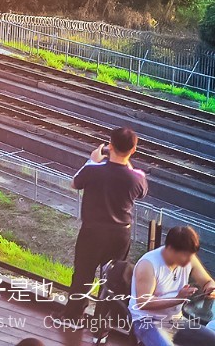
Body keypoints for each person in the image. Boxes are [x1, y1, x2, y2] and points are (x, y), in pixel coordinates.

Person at [61, 126, 148, 321]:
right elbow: (141, 192)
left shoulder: (93, 169)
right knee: (113, 279)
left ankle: (72, 316)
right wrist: (127, 163)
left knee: (83, 274)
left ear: (110, 145)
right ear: (133, 150)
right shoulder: (137, 178)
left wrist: (92, 159)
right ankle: (102, 324)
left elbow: (74, 183)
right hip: (120, 235)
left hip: (92, 232)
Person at [129, 226, 215, 346]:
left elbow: (207, 281)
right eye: (185, 255)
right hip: (147, 321)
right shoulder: (148, 264)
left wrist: (210, 288)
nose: (189, 260)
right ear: (170, 249)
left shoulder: (189, 259)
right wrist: (177, 299)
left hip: (175, 320)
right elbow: (143, 302)